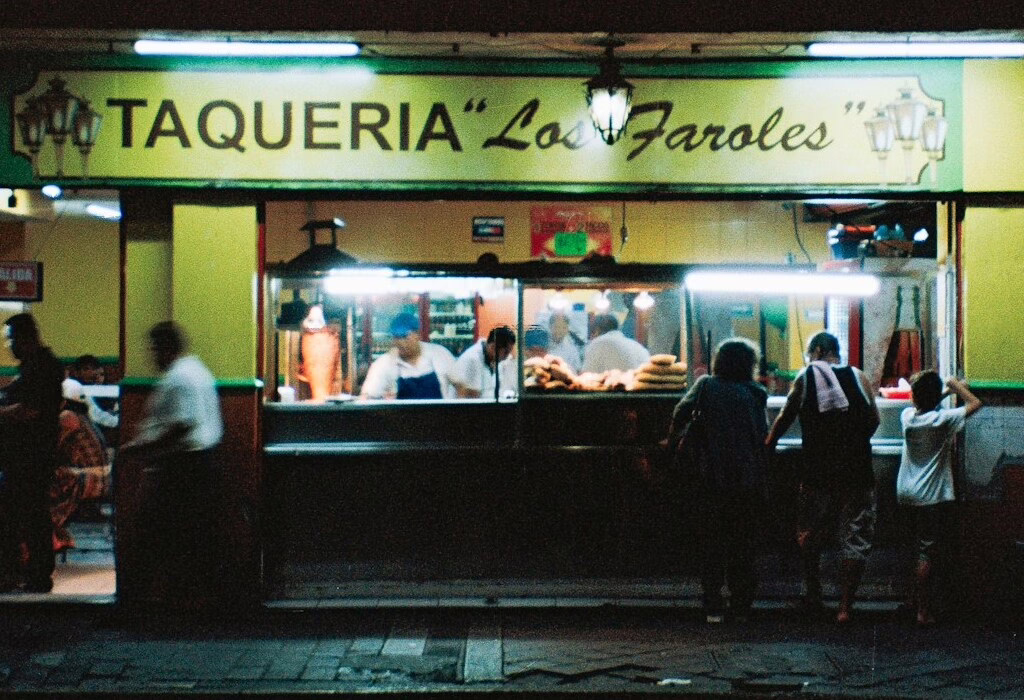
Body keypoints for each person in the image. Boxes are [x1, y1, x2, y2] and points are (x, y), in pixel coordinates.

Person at [766, 331, 880, 624]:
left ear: (817, 351)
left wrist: (768, 445)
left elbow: (785, 416)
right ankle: (844, 608)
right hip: (857, 471)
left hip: (817, 473)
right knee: (855, 537)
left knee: (810, 534)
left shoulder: (807, 376)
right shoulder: (859, 376)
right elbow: (875, 419)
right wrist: (852, 444)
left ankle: (814, 596)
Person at [666, 338, 769, 623]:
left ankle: (713, 605)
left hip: (711, 477)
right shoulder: (757, 393)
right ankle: (741, 606)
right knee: (743, 546)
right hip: (747, 480)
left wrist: (673, 440)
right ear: (750, 364)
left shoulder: (706, 385)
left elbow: (680, 413)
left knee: (713, 543)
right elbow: (763, 434)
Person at [120, 322, 223, 603]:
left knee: (160, 536)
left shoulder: (178, 378)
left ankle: (148, 604)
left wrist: (140, 448)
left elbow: (182, 425)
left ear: (165, 347)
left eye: (153, 348)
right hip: (200, 463)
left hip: (181, 468)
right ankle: (185, 602)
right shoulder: (198, 372)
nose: (151, 355)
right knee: (188, 538)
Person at [897, 371, 982, 626]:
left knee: (913, 548)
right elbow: (975, 404)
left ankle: (912, 600)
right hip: (930, 497)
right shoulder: (943, 420)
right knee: (927, 552)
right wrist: (956, 386)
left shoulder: (907, 417)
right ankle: (923, 611)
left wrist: (943, 393)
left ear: (914, 397)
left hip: (905, 493)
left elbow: (927, 404)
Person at [0, 313, 64, 593]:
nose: (10, 345)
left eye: (12, 339)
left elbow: (29, 411)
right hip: (27, 454)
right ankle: (26, 573)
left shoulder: (43, 368)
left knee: (28, 514)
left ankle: (34, 574)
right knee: (24, 514)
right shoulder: (35, 366)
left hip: (31, 455)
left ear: (26, 338)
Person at [50, 378, 110, 552]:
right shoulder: (82, 417)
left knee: (31, 485)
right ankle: (54, 535)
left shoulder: (67, 418)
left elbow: (48, 449)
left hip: (89, 479)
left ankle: (50, 536)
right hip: (98, 478)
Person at [360, 312, 456, 400]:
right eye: (396, 337)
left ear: (418, 334)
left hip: (439, 417)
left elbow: (461, 386)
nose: (401, 342)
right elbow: (367, 398)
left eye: (405, 337)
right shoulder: (383, 364)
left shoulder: (440, 354)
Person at [450, 325, 517, 399]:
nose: (507, 356)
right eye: (506, 352)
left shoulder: (495, 359)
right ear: (493, 347)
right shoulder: (471, 359)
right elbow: (465, 394)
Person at [582, 313, 650, 373]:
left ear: (597, 330)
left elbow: (587, 376)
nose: (591, 338)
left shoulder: (598, 343)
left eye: (591, 333)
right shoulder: (636, 345)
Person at [68, 354, 119, 430]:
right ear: (77, 373)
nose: (90, 372)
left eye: (93, 369)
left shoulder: (102, 385)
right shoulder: (76, 387)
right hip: (90, 423)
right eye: (86, 369)